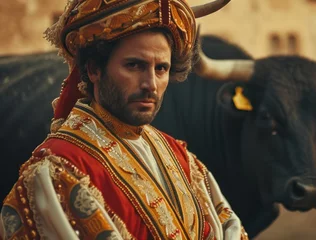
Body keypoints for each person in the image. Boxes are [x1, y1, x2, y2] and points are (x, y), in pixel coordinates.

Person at [0, 0, 248, 239]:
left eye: (161, 68)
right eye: (134, 65)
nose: (150, 84)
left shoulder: (182, 158)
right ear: (94, 69)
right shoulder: (56, 169)